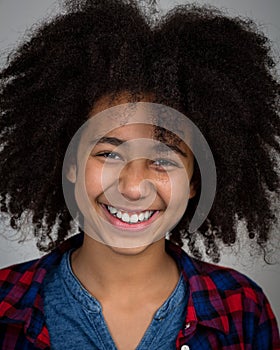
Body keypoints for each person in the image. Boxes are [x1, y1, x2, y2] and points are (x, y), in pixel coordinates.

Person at [0, 0, 279, 349]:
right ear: (69, 163)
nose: (132, 188)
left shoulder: (242, 310)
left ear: (194, 181)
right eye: (108, 154)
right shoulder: (4, 305)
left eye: (163, 160)